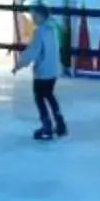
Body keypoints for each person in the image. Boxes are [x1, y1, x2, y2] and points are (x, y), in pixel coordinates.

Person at [26, 8, 68, 139]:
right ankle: (60, 123)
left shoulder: (39, 32)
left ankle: (47, 125)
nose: (32, 18)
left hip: (43, 71)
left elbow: (33, 51)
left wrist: (20, 63)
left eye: (34, 15)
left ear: (40, 16)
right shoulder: (53, 29)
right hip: (54, 70)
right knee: (49, 95)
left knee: (39, 97)